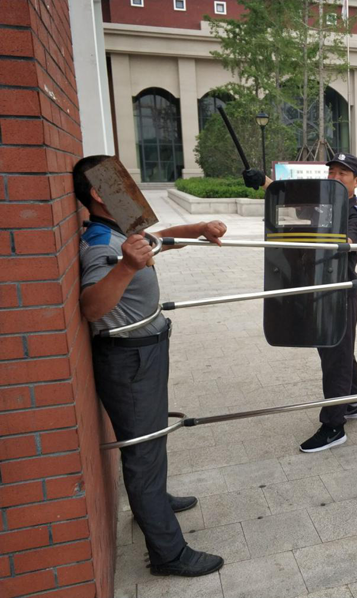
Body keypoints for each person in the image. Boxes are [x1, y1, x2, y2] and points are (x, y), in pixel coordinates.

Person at [75, 155, 225, 577]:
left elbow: (155, 241)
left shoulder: (118, 231)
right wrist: (126, 267)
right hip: (129, 358)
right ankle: (168, 554)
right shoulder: (102, 245)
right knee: (143, 449)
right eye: (121, 181)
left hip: (145, 352)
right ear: (99, 193)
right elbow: (91, 307)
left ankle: (154, 501)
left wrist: (197, 228)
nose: (132, 188)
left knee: (152, 437)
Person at [244, 154, 357, 452]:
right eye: (332, 172)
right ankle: (354, 402)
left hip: (339, 293)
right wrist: (263, 182)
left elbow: (347, 242)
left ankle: (334, 426)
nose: (335, 177)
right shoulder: (321, 206)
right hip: (315, 287)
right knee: (337, 349)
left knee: (335, 355)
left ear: (356, 182)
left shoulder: (356, 215)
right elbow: (292, 200)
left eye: (343, 174)